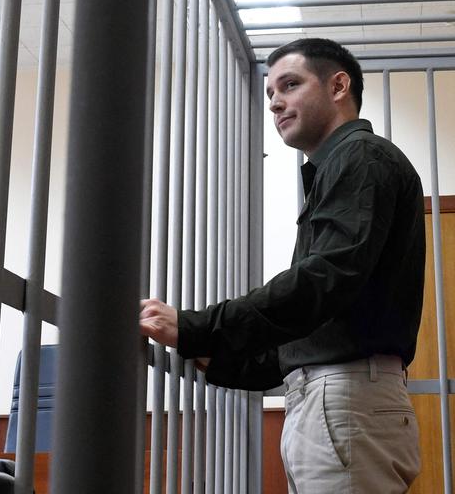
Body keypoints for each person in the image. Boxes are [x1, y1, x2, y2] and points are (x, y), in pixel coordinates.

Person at [139, 38, 426, 493]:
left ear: (338, 86)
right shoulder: (342, 168)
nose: (275, 103)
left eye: (290, 85)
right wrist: (222, 359)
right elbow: (316, 325)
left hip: (343, 399)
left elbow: (323, 282)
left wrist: (199, 326)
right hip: (332, 400)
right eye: (271, 93)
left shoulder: (361, 158)